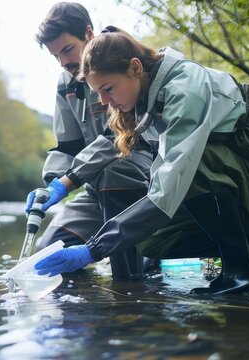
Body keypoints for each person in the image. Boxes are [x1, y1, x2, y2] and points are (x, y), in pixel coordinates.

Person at [34, 26, 249, 294]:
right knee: (147, 239)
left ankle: (240, 271)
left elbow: (173, 179)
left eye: (108, 89)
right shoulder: (144, 95)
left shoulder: (185, 89)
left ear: (135, 68)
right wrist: (61, 182)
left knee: (192, 166)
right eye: (98, 93)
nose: (105, 102)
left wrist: (94, 249)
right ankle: (246, 249)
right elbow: (117, 146)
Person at [25, 2, 154, 279]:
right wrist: (51, 186)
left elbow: (119, 136)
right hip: (95, 186)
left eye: (67, 50)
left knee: (115, 171)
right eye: (55, 55)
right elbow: (68, 147)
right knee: (48, 254)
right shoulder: (65, 83)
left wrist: (68, 181)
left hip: (141, 178)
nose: (63, 62)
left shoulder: (122, 62)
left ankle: (129, 285)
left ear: (88, 33)